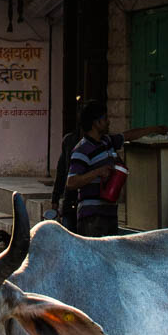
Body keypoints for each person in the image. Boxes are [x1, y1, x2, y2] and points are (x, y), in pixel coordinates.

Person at [65, 101, 125, 238]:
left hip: (109, 213)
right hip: (92, 218)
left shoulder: (107, 142)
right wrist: (97, 172)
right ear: (95, 123)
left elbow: (126, 136)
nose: (108, 122)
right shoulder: (82, 150)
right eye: (105, 119)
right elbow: (71, 182)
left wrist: (155, 130)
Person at [50, 118, 82, 231]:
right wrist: (55, 199)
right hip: (71, 201)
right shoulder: (69, 141)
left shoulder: (101, 143)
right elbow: (61, 172)